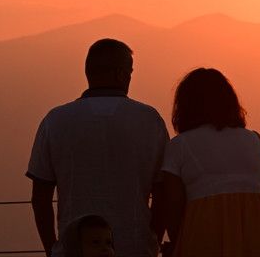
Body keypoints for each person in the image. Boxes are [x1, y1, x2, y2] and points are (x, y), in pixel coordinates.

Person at [27, 38, 169, 257]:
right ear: (121, 74)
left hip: (74, 249)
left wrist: (53, 249)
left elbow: (41, 197)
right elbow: (163, 193)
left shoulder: (56, 121)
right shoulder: (149, 120)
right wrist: (153, 242)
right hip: (136, 247)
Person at [158, 68, 260, 257]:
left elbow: (173, 205)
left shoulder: (179, 145)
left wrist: (178, 244)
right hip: (255, 232)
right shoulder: (255, 140)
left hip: (203, 231)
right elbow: (257, 190)